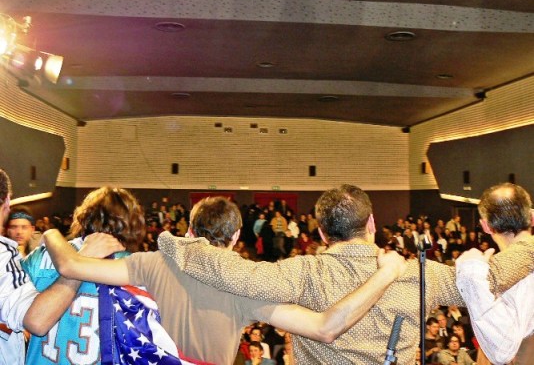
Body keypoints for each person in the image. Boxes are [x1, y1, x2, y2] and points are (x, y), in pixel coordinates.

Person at [157, 184, 534, 364]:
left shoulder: (303, 273)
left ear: (322, 233)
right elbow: (493, 277)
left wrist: (175, 243)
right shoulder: (420, 274)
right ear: (371, 223)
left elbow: (233, 273)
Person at [44, 196, 408, 365]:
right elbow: (326, 328)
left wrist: (50, 234)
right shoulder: (244, 288)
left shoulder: (151, 263)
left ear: (189, 230)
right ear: (235, 238)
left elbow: (70, 265)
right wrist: (385, 274)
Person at [22, 186, 181, 365]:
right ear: (133, 225)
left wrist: (51, 236)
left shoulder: (42, 256)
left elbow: (13, 319)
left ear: (83, 217)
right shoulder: (138, 270)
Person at [0, 169, 87, 365]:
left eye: (24, 227)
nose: (18, 232)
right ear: (7, 201)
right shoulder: (3, 255)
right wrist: (79, 265)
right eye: (15, 226)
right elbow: (37, 320)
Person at [456, 183, 534, 365]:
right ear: (532, 218)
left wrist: (472, 275)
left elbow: (502, 351)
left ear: (486, 226)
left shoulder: (497, 274)